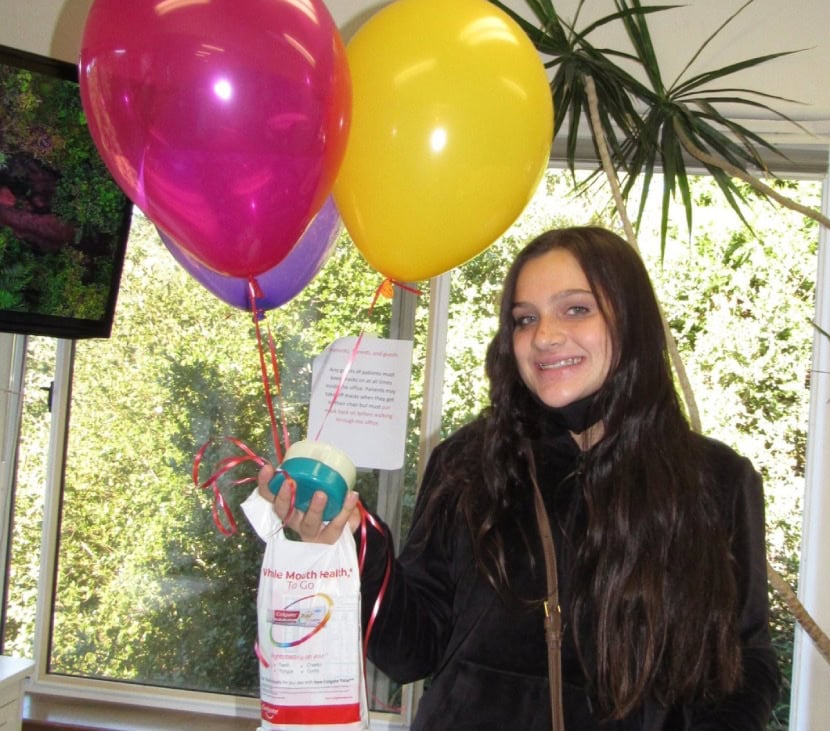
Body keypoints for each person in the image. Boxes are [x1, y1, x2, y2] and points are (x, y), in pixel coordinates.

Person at [258, 226, 780, 729]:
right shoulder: (469, 462)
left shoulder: (716, 481)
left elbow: (744, 666)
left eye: (576, 309)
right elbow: (412, 651)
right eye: (525, 319)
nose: (544, 337)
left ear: (631, 319)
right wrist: (355, 544)